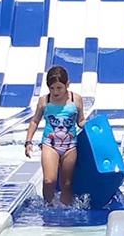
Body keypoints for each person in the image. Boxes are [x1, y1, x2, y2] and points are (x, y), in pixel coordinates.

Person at [24, 65, 85, 205]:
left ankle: (66, 209)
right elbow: (34, 121)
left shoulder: (76, 99)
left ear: (67, 84)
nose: (55, 91)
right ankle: (48, 206)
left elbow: (80, 120)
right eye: (52, 88)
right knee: (49, 180)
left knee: (67, 183)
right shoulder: (45, 101)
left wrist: (92, 129)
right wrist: (28, 142)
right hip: (50, 144)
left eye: (59, 87)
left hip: (70, 146)